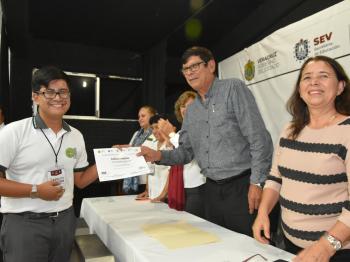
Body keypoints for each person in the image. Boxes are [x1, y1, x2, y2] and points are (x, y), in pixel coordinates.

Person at [139, 46, 273, 236]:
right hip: (210, 191)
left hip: (241, 188)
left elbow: (260, 139)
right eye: (185, 69)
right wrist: (157, 155)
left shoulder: (233, 89)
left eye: (195, 66)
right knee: (218, 247)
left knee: (250, 248)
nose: (190, 73)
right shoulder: (192, 111)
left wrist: (257, 183)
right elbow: (186, 152)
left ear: (211, 65)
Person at [252, 56, 350, 262]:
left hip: (335, 252)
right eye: (307, 77)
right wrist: (263, 212)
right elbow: (275, 178)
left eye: (323, 76)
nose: (314, 82)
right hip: (289, 245)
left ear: (340, 86)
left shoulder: (347, 132)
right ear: (299, 88)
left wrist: (327, 245)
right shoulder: (290, 130)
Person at [0, 66, 99, 262]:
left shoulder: (76, 136)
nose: (58, 97)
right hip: (24, 223)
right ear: (35, 97)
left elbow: (80, 180)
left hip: (64, 220)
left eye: (63, 92)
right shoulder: (14, 132)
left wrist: (109, 161)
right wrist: (36, 190)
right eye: (49, 92)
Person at [158, 91, 206, 217]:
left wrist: (171, 134)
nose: (186, 109)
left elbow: (187, 153)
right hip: (181, 187)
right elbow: (174, 158)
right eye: (183, 106)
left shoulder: (202, 128)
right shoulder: (180, 132)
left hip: (197, 187)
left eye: (190, 106)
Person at [121, 106, 156, 194]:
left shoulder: (157, 133)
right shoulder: (137, 133)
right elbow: (131, 148)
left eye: (143, 116)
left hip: (148, 180)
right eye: (139, 117)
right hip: (134, 176)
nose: (140, 119)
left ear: (152, 116)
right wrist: (118, 147)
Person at [137, 114, 171, 202]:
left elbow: (172, 174)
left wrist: (163, 195)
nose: (154, 131)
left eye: (157, 127)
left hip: (166, 197)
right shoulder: (151, 145)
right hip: (153, 196)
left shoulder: (170, 146)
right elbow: (149, 169)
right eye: (152, 128)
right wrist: (147, 190)